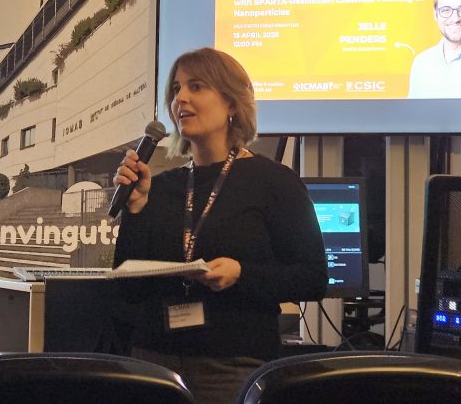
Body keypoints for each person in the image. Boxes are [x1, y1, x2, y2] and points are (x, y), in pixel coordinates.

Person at [112, 47, 327, 404]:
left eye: (196, 86)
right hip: (154, 362)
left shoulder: (275, 182)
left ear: (231, 103)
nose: (180, 98)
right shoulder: (160, 187)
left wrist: (242, 274)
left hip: (233, 366)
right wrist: (135, 211)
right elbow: (129, 289)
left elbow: (313, 278)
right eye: (176, 89)